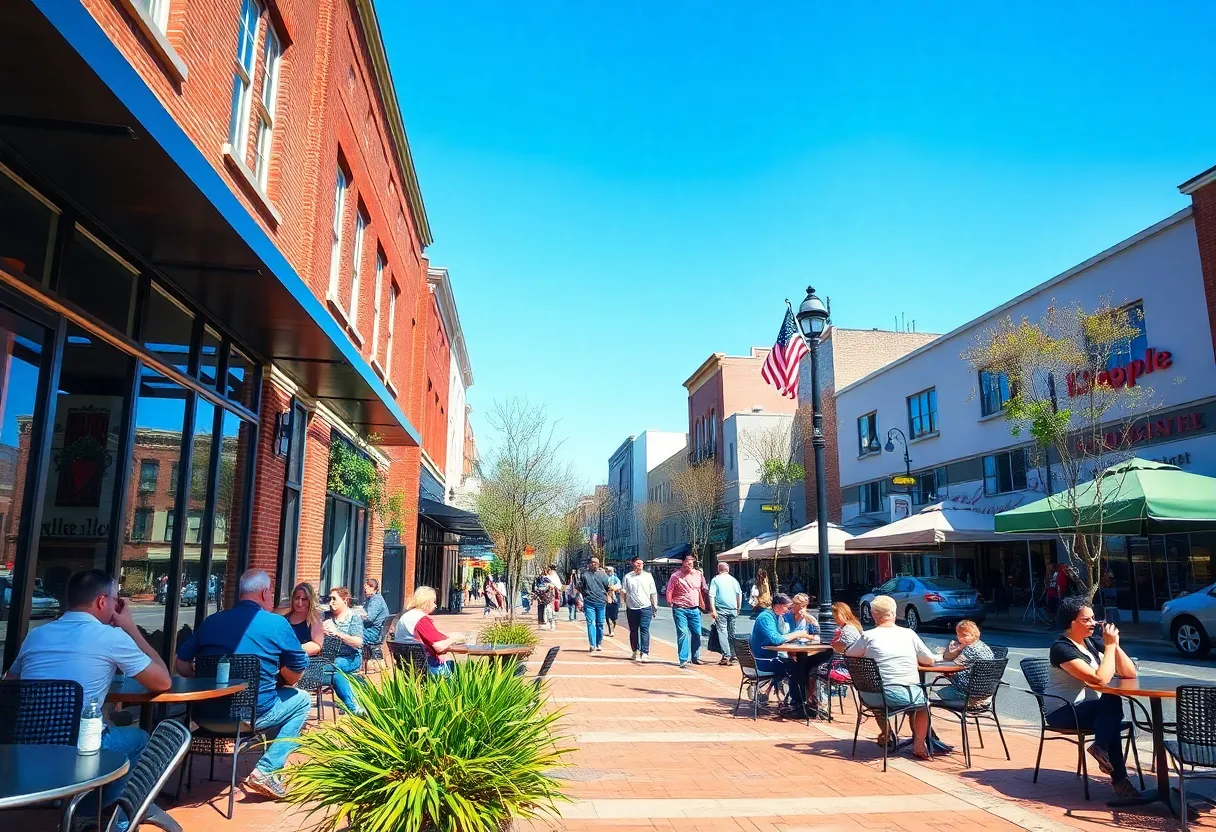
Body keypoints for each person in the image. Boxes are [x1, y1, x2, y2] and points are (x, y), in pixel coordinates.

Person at [6, 569, 171, 816]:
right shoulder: (112, 637)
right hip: (80, 746)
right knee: (139, 740)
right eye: (116, 601)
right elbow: (163, 681)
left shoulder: (36, 634)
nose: (117, 607)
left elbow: (10, 684)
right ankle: (99, 813)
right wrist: (131, 628)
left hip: (27, 744)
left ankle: (75, 806)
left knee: (112, 723)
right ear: (103, 601)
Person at [176, 569, 309, 799]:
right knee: (302, 700)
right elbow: (297, 669)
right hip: (249, 717)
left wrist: (202, 678)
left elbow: (180, 664)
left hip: (204, 715)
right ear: (265, 592)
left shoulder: (212, 621)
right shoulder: (277, 623)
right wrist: (283, 678)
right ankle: (267, 769)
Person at [1045, 597, 1141, 798]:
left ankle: (1101, 748)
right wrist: (1109, 648)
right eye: (1086, 620)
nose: (1094, 624)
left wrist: (1115, 644)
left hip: (1092, 709)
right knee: (1110, 709)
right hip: (1064, 711)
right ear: (1072, 622)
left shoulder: (1092, 642)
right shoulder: (1061, 648)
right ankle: (1119, 778)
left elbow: (1130, 673)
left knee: (1110, 709)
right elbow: (1100, 679)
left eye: (1093, 619)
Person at [845, 595, 935, 758]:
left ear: (874, 615)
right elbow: (928, 659)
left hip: (871, 696)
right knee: (923, 706)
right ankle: (919, 744)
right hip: (904, 695)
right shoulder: (909, 634)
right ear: (894, 613)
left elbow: (849, 654)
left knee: (882, 699)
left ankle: (887, 734)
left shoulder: (868, 636)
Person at [749, 593, 814, 716]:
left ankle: (801, 703)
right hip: (764, 661)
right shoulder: (766, 617)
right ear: (778, 606)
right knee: (796, 668)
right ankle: (797, 705)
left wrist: (807, 623)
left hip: (770, 658)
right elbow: (776, 639)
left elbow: (784, 635)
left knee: (799, 666)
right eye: (787, 607)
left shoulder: (775, 616)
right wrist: (799, 634)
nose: (789, 610)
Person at [394, 586, 469, 676]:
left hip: (408, 665)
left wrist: (446, 635)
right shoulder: (421, 619)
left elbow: (427, 634)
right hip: (424, 667)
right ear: (427, 602)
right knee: (455, 667)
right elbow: (439, 646)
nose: (435, 606)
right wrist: (455, 638)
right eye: (433, 602)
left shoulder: (407, 616)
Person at [322, 587, 365, 713]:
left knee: (335, 666)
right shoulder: (325, 616)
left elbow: (358, 642)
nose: (330, 602)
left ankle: (352, 705)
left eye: (334, 599)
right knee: (337, 674)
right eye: (329, 599)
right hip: (328, 658)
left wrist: (337, 633)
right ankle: (354, 702)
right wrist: (320, 632)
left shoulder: (353, 617)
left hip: (350, 657)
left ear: (345, 600)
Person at [935, 619, 994, 703]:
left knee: (934, 693)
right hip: (985, 692)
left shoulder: (970, 649)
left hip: (966, 692)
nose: (960, 638)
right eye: (958, 635)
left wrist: (954, 650)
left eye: (964, 635)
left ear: (974, 634)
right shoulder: (983, 646)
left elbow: (952, 665)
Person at [666, 553, 709, 668]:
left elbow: (704, 588)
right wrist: (670, 601)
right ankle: (683, 659)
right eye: (688, 563)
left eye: (692, 563)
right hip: (680, 608)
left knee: (697, 633)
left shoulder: (698, 574)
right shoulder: (675, 576)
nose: (690, 566)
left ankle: (695, 657)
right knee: (683, 633)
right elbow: (669, 590)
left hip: (695, 609)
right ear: (683, 563)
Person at [622, 556, 659, 662]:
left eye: (641, 563)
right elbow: (624, 592)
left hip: (646, 607)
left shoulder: (648, 576)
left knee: (644, 629)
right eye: (637, 563)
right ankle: (635, 651)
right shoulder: (628, 577)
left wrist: (654, 606)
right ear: (633, 564)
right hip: (632, 608)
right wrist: (626, 604)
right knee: (633, 630)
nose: (639, 565)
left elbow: (653, 592)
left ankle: (645, 652)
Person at [709, 563, 743, 665]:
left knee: (722, 631)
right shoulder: (734, 580)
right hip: (733, 609)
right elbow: (739, 594)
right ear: (727, 570)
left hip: (721, 609)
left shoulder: (715, 580)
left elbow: (712, 595)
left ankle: (726, 655)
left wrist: (713, 609)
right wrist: (739, 607)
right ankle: (734, 655)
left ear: (718, 569)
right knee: (732, 632)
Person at [579, 557, 612, 653]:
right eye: (593, 562)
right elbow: (580, 587)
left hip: (601, 602)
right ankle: (592, 644)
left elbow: (609, 587)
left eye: (596, 562)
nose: (595, 564)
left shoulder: (603, 575)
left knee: (600, 623)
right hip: (589, 602)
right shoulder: (584, 574)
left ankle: (599, 643)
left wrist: (609, 596)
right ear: (589, 564)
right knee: (591, 623)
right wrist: (582, 598)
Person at [284, 582, 325, 656]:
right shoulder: (285, 619)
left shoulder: (314, 620)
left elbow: (317, 645)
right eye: (297, 598)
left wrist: (294, 650)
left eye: (304, 599)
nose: (300, 603)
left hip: (306, 662)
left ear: (310, 600)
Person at [359, 578, 390, 654]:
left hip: (372, 633)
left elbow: (369, 619)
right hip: (373, 631)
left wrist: (357, 617)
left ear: (372, 588)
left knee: (349, 634)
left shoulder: (376, 600)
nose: (365, 591)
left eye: (366, 589)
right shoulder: (374, 598)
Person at [604, 566, 623, 637]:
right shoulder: (604, 578)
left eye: (609, 571)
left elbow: (619, 585)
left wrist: (613, 588)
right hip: (606, 600)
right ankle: (611, 631)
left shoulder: (615, 578)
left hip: (614, 600)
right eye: (606, 571)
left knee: (614, 617)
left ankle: (612, 628)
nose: (608, 572)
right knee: (607, 616)